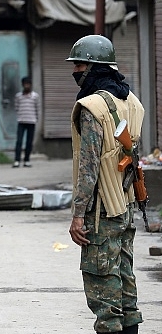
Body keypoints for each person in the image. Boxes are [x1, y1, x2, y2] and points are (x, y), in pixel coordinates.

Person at [67, 35, 144, 334]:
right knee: (125, 282)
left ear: (93, 67)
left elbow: (88, 166)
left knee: (103, 288)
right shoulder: (131, 100)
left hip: (101, 210)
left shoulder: (92, 107)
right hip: (125, 203)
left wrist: (77, 214)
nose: (75, 70)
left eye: (79, 64)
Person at [12, 76, 40, 168]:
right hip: (21, 121)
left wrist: (36, 118)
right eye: (25, 84)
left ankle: (27, 160)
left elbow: (37, 108)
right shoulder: (18, 96)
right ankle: (17, 160)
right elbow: (16, 108)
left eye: (28, 84)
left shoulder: (35, 96)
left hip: (31, 121)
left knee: (29, 142)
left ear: (31, 85)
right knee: (19, 141)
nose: (27, 86)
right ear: (22, 85)